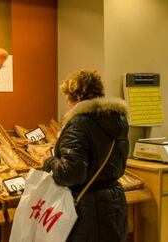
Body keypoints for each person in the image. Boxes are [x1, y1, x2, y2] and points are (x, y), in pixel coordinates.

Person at [43, 70, 129, 242]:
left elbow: (71, 173)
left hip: (88, 209)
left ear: (78, 97)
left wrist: (49, 161)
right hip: (114, 201)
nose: (67, 103)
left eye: (67, 98)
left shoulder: (79, 124)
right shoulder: (117, 119)